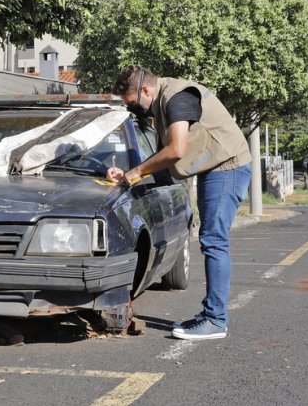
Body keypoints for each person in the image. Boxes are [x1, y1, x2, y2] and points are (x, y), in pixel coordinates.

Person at [107, 65, 252, 340]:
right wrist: (128, 177)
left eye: (133, 104)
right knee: (211, 239)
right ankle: (211, 314)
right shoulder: (162, 102)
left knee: (213, 240)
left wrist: (135, 173)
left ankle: (216, 320)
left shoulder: (176, 97)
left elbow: (176, 150)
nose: (134, 110)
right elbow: (163, 164)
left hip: (228, 168)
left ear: (145, 90)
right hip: (215, 169)